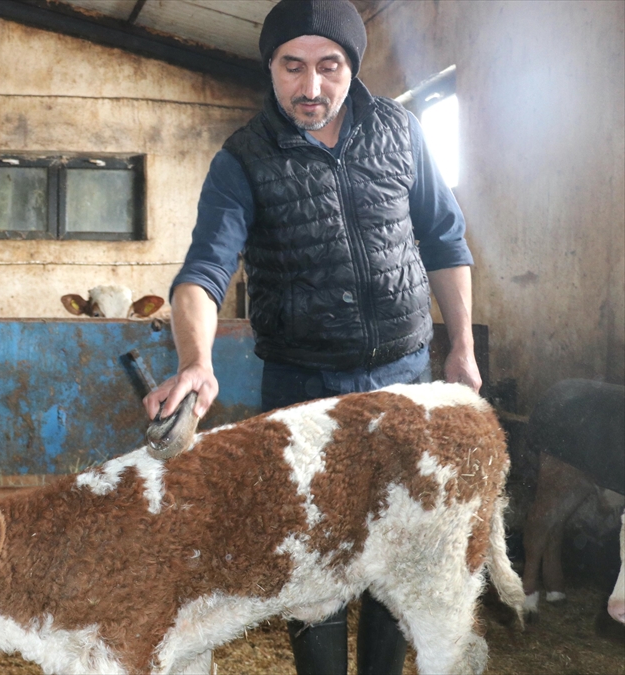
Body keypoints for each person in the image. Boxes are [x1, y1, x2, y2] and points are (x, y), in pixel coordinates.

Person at [142, 1, 480, 673]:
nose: (311, 87)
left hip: (404, 382)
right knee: (311, 563)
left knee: (397, 554)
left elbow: (445, 238)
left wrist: (462, 346)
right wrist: (195, 359)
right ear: (269, 66)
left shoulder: (402, 133)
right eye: (292, 67)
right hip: (304, 393)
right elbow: (204, 272)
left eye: (330, 67)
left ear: (352, 67)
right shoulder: (242, 159)